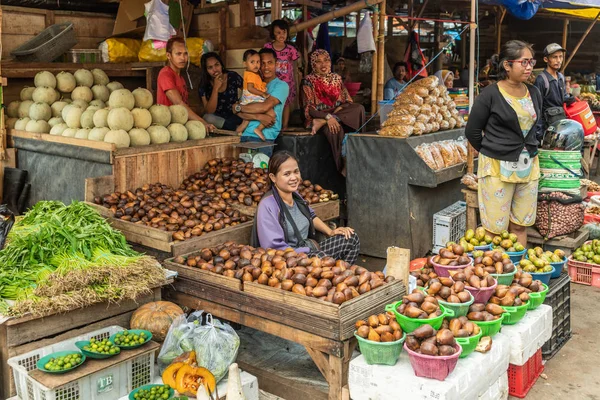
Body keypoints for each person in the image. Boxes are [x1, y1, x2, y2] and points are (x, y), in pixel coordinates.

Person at [465, 40, 543, 247]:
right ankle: (492, 275)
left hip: (528, 166)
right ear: (507, 65)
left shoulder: (533, 92)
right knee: (495, 228)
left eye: (531, 62)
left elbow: (536, 124)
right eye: (523, 62)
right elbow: (472, 131)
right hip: (497, 167)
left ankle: (517, 271)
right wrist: (491, 151)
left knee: (520, 225)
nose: (529, 67)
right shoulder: (490, 94)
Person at [251, 151, 360, 264]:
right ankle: (336, 275)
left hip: (309, 251)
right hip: (288, 261)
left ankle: (342, 277)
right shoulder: (267, 206)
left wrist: (330, 232)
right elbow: (274, 249)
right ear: (273, 177)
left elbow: (311, 216)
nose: (294, 178)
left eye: (296, 172)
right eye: (287, 174)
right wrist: (308, 250)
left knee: (351, 238)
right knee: (322, 258)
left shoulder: (296, 196)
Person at [302, 49, 365, 177]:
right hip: (318, 116)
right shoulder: (308, 81)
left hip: (338, 114)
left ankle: (327, 121)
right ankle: (342, 167)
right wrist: (326, 117)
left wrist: (333, 116)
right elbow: (309, 108)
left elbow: (347, 102)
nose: (323, 65)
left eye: (326, 60)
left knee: (359, 109)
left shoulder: (336, 78)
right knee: (335, 129)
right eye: (318, 62)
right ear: (313, 64)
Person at [232, 48, 289, 157]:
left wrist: (238, 107)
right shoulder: (255, 84)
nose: (266, 67)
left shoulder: (281, 86)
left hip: (264, 138)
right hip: (244, 136)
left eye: (270, 63)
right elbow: (237, 111)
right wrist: (259, 117)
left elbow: (264, 107)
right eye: (262, 63)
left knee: (260, 173)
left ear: (276, 64)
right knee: (243, 173)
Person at [157, 36, 214, 131]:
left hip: (180, 124)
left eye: (185, 54)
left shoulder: (181, 78)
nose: (183, 58)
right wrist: (203, 122)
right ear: (168, 56)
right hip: (168, 127)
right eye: (178, 54)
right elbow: (178, 103)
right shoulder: (165, 74)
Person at [264, 19, 300, 130]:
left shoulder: (291, 49)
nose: (282, 35)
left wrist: (296, 80)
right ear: (272, 33)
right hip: (271, 80)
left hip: (287, 82)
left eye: (284, 32)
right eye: (278, 32)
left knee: (285, 104)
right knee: (270, 102)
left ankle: (284, 127)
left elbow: (295, 65)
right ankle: (271, 124)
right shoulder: (267, 47)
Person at [198, 52, 244, 131]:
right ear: (206, 71)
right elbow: (209, 111)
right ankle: (235, 128)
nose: (215, 69)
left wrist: (239, 103)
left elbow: (248, 92)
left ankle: (234, 127)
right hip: (220, 119)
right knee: (207, 117)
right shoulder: (204, 85)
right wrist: (215, 88)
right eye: (210, 67)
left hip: (236, 113)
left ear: (221, 65)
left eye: (217, 65)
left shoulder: (232, 76)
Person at [235, 50, 275, 139]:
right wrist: (263, 94)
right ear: (245, 64)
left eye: (258, 62)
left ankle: (238, 132)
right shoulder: (251, 75)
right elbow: (250, 88)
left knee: (246, 120)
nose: (256, 65)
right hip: (252, 99)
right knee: (272, 114)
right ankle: (258, 129)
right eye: (252, 62)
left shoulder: (253, 74)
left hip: (249, 99)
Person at [534, 43, 573, 130]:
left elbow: (563, 98)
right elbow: (537, 108)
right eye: (554, 57)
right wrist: (539, 132)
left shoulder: (561, 77)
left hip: (560, 123)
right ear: (546, 59)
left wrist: (570, 98)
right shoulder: (541, 80)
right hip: (547, 127)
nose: (558, 60)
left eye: (561, 57)